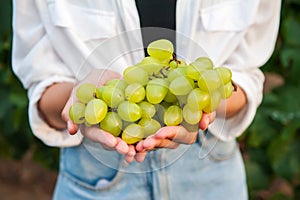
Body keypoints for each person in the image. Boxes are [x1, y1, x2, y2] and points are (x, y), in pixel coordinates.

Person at [12, 0, 281, 199]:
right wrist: (79, 102)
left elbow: (244, 77)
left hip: (211, 173)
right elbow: (41, 85)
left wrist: (198, 107)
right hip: (95, 173)